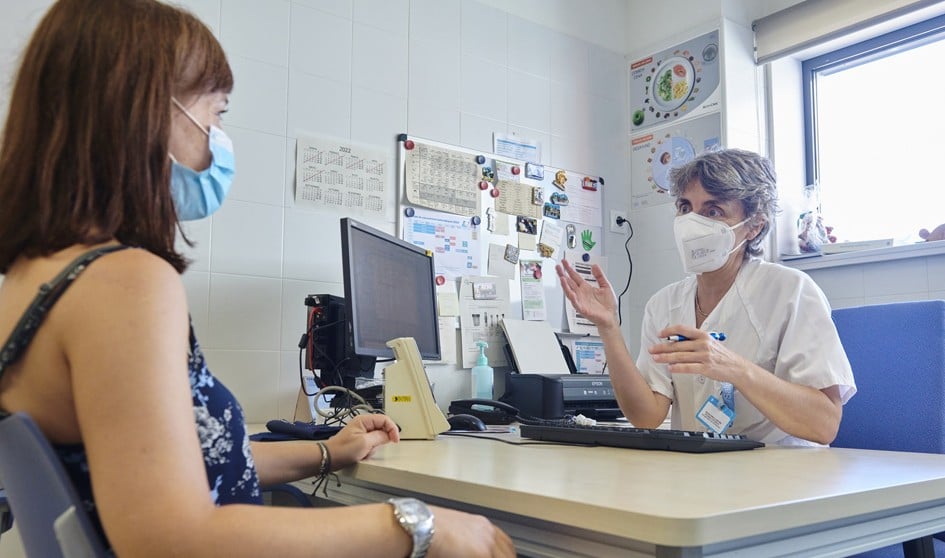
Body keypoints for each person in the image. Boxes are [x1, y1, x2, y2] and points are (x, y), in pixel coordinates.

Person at [0, 1, 515, 556]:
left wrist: (327, 452)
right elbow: (166, 537)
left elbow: (185, 460)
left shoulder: (33, 282)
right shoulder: (123, 281)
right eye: (215, 114)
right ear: (149, 112)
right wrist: (419, 527)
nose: (216, 138)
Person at [556, 148, 856, 446]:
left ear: (754, 226)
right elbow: (646, 417)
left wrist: (736, 369)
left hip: (783, 476)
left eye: (713, 211)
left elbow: (824, 424)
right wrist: (609, 328)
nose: (692, 224)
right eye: (685, 208)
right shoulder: (664, 304)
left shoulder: (790, 291)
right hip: (701, 475)